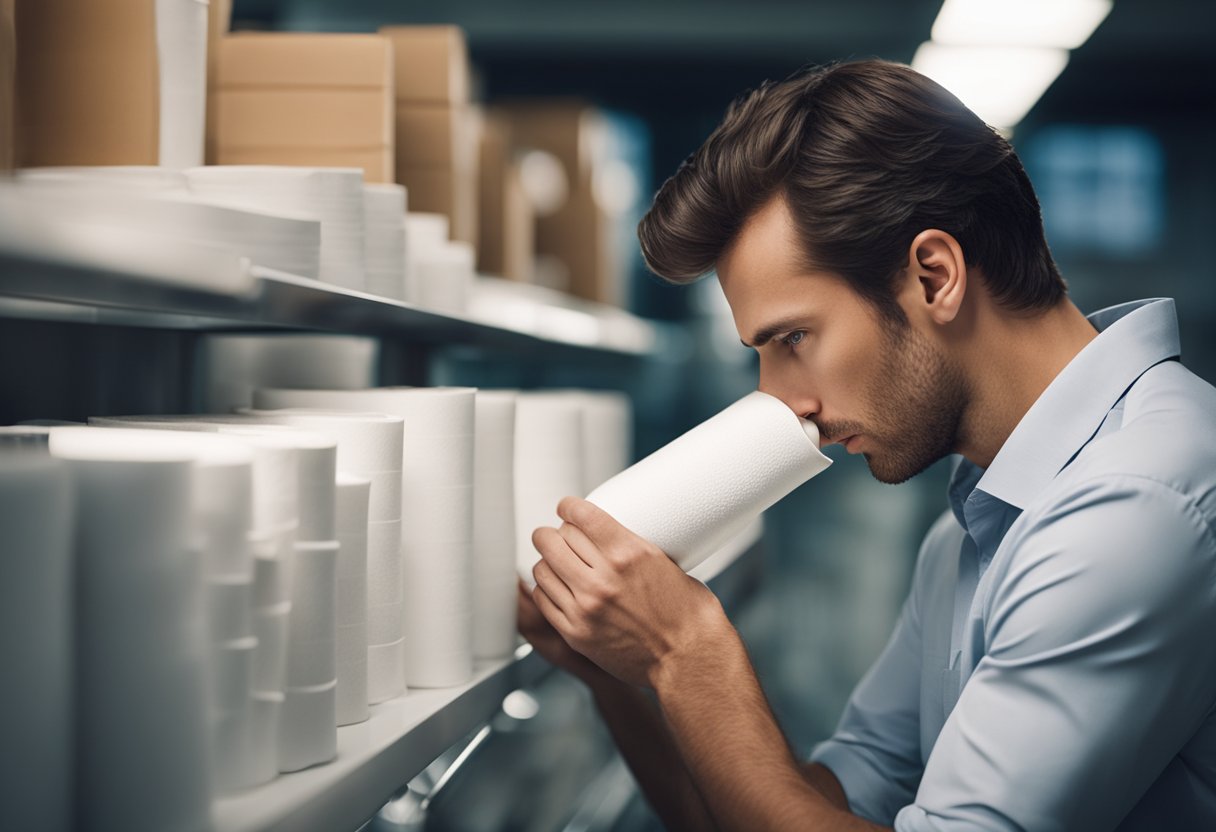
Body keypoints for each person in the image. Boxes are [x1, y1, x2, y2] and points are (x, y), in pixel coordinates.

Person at [517, 59, 1216, 831]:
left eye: (793, 338)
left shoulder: (1131, 507)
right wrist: (619, 672)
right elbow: (780, 812)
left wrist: (690, 650)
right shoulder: (976, 527)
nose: (783, 403)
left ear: (934, 276)